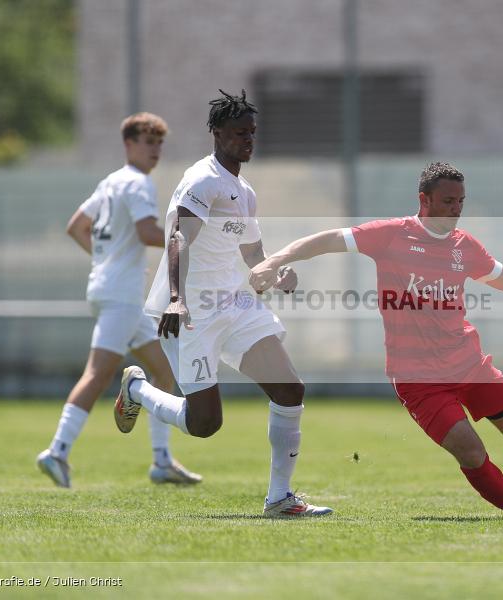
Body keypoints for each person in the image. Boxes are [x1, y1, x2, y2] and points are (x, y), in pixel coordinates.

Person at [248, 162, 503, 520]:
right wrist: (275, 261)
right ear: (423, 200)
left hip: (469, 365)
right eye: (448, 201)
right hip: (419, 381)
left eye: (461, 201)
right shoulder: (391, 235)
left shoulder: (465, 246)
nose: (456, 210)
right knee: (471, 451)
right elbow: (328, 239)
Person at [113, 90, 332, 518]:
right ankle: (136, 388)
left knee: (290, 389)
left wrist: (277, 274)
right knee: (205, 424)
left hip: (236, 304)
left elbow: (252, 257)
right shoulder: (203, 180)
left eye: (252, 133)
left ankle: (280, 499)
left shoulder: (244, 190)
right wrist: (176, 299)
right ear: (217, 133)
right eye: (238, 133)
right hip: (193, 313)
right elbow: (178, 238)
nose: (247, 140)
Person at [37, 113, 201, 488]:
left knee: (163, 371)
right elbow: (146, 232)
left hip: (114, 291)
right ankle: (57, 451)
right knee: (97, 374)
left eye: (159, 142)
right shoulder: (138, 182)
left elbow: (76, 226)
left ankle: (162, 462)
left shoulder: (111, 181)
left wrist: (104, 260)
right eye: (148, 141)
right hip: (120, 296)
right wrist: (187, 242)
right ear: (129, 144)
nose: (155, 149)